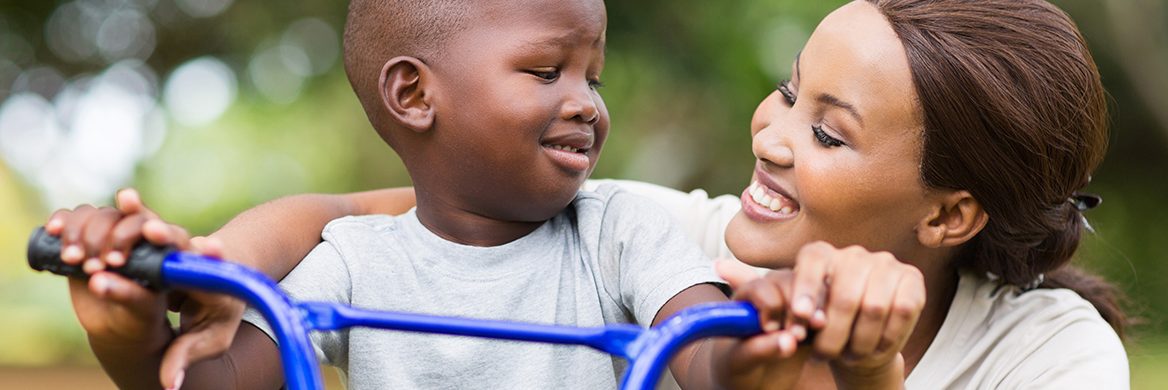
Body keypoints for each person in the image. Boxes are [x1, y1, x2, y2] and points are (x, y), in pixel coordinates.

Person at [51, 0, 1130, 388]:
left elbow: (710, 344)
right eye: (790, 92)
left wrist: (836, 367)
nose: (770, 133)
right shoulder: (691, 231)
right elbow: (373, 220)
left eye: (828, 130)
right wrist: (199, 283)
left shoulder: (1052, 355)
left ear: (949, 215)